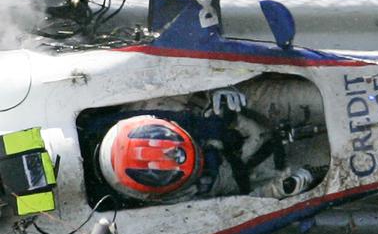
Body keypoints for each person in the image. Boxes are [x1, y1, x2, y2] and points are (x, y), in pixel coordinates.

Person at [96, 87, 313, 204]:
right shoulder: (176, 202)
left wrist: (216, 86)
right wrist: (279, 191)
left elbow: (185, 68)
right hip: (259, 172)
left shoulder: (153, 102)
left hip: (247, 109)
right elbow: (229, 211)